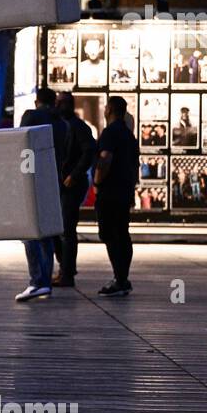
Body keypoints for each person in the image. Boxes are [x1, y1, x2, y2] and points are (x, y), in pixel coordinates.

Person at [16, 88, 67, 302]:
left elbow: (21, 145)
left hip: (33, 178)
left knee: (29, 232)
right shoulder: (63, 123)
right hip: (53, 180)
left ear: (37, 102)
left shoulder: (31, 116)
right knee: (47, 232)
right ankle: (44, 280)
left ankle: (37, 281)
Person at [93, 95, 139, 297]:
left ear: (109, 110)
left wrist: (97, 181)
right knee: (122, 233)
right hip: (125, 190)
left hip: (110, 191)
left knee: (109, 234)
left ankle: (119, 279)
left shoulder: (110, 133)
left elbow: (105, 159)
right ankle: (123, 277)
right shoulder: (129, 135)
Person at [53, 91, 96, 288]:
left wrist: (74, 175)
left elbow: (89, 152)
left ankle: (67, 272)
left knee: (66, 230)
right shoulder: (62, 126)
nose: (59, 106)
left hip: (72, 183)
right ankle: (66, 268)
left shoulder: (78, 127)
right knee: (59, 229)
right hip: (63, 182)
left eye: (62, 102)